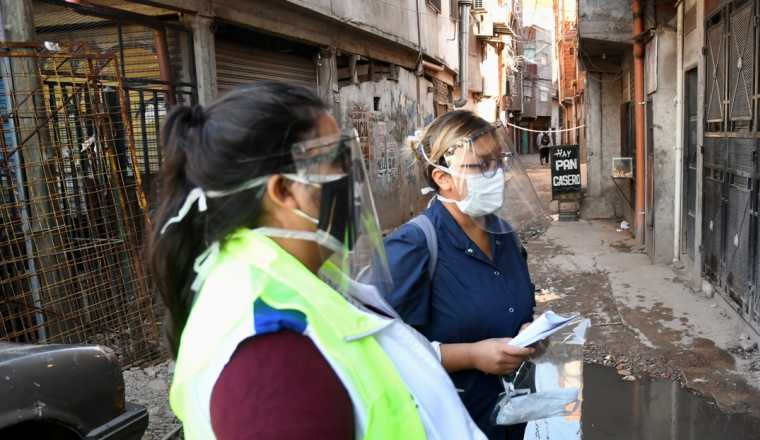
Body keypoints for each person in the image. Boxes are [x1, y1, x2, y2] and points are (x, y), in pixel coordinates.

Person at [148, 82, 485, 440]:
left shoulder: (298, 282)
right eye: (339, 163)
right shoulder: (269, 352)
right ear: (284, 191)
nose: (355, 180)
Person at [384, 110, 550, 439]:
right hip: (448, 426)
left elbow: (514, 310)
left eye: (499, 162)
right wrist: (471, 356)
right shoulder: (413, 246)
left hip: (507, 421)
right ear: (441, 177)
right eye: (482, 165)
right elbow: (385, 351)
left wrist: (531, 335)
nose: (498, 175)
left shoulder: (504, 235)